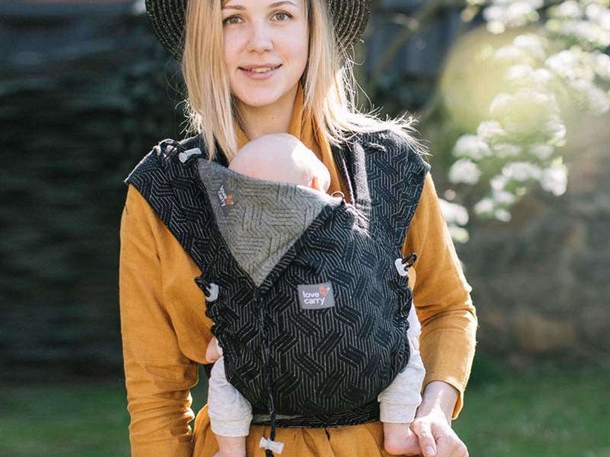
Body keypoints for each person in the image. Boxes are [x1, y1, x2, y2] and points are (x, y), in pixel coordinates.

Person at [119, 1, 477, 457]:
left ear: (313, 27)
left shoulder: (386, 165)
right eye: (232, 18)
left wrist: (434, 407)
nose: (259, 42)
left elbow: (447, 308)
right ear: (204, 36)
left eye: (281, 14)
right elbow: (155, 391)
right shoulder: (166, 189)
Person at [203, 133, 426, 457]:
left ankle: (230, 449)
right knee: (406, 346)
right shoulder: (355, 229)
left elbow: (235, 311)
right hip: (365, 364)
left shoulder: (249, 252)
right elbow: (384, 282)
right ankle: (398, 431)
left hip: (272, 380)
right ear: (315, 183)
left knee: (226, 377)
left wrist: (219, 346)